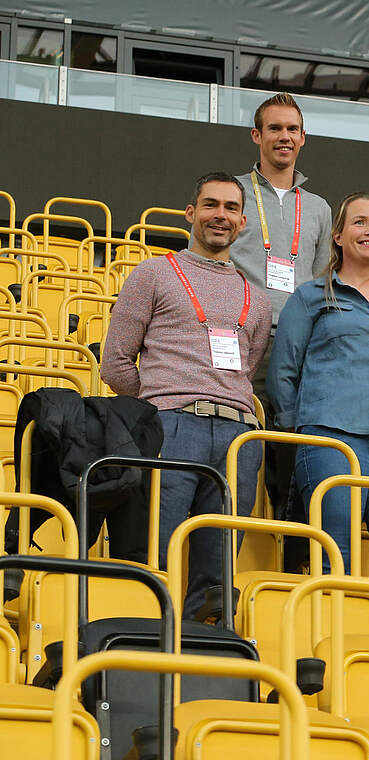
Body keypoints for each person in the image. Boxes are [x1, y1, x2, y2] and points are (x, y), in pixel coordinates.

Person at [102, 172, 272, 617]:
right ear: (191, 213)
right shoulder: (154, 272)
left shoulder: (256, 298)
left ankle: (200, 655)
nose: (221, 216)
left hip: (238, 436)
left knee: (217, 574)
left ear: (243, 221)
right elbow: (115, 362)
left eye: (231, 208)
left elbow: (246, 367)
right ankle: (139, 646)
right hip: (171, 426)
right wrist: (162, 402)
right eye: (211, 205)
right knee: (156, 553)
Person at [268, 192, 369, 634]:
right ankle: (332, 640)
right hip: (330, 434)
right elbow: (284, 372)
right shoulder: (309, 296)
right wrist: (300, 430)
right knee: (335, 541)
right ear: (338, 236)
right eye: (359, 222)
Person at [233, 92, 334, 530]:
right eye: (275, 128)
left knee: (290, 446)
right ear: (257, 135)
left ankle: (286, 544)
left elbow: (321, 280)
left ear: (303, 138)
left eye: (292, 129)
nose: (284, 137)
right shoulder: (232, 193)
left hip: (296, 345)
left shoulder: (319, 208)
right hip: (239, 339)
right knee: (239, 437)